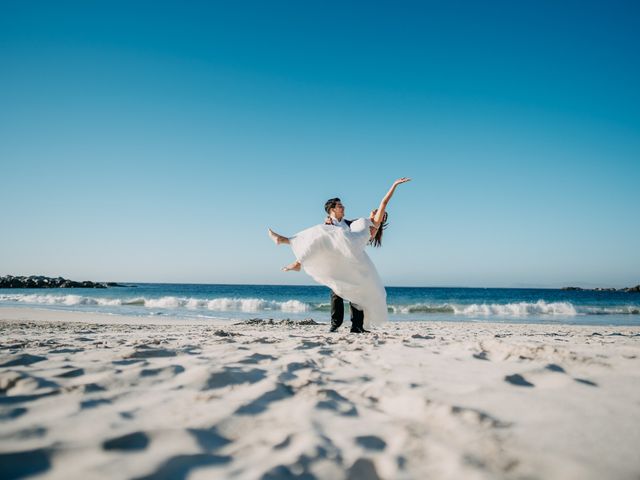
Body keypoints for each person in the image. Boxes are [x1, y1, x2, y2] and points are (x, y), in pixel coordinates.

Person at [268, 177, 411, 332]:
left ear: (381, 218)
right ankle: (337, 324)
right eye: (340, 205)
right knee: (340, 289)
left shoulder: (368, 224)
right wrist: (329, 224)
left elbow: (384, 202)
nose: (375, 211)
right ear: (332, 210)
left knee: (358, 292)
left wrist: (394, 185)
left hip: (352, 255)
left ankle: (357, 326)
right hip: (340, 259)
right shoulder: (351, 222)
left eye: (379, 213)